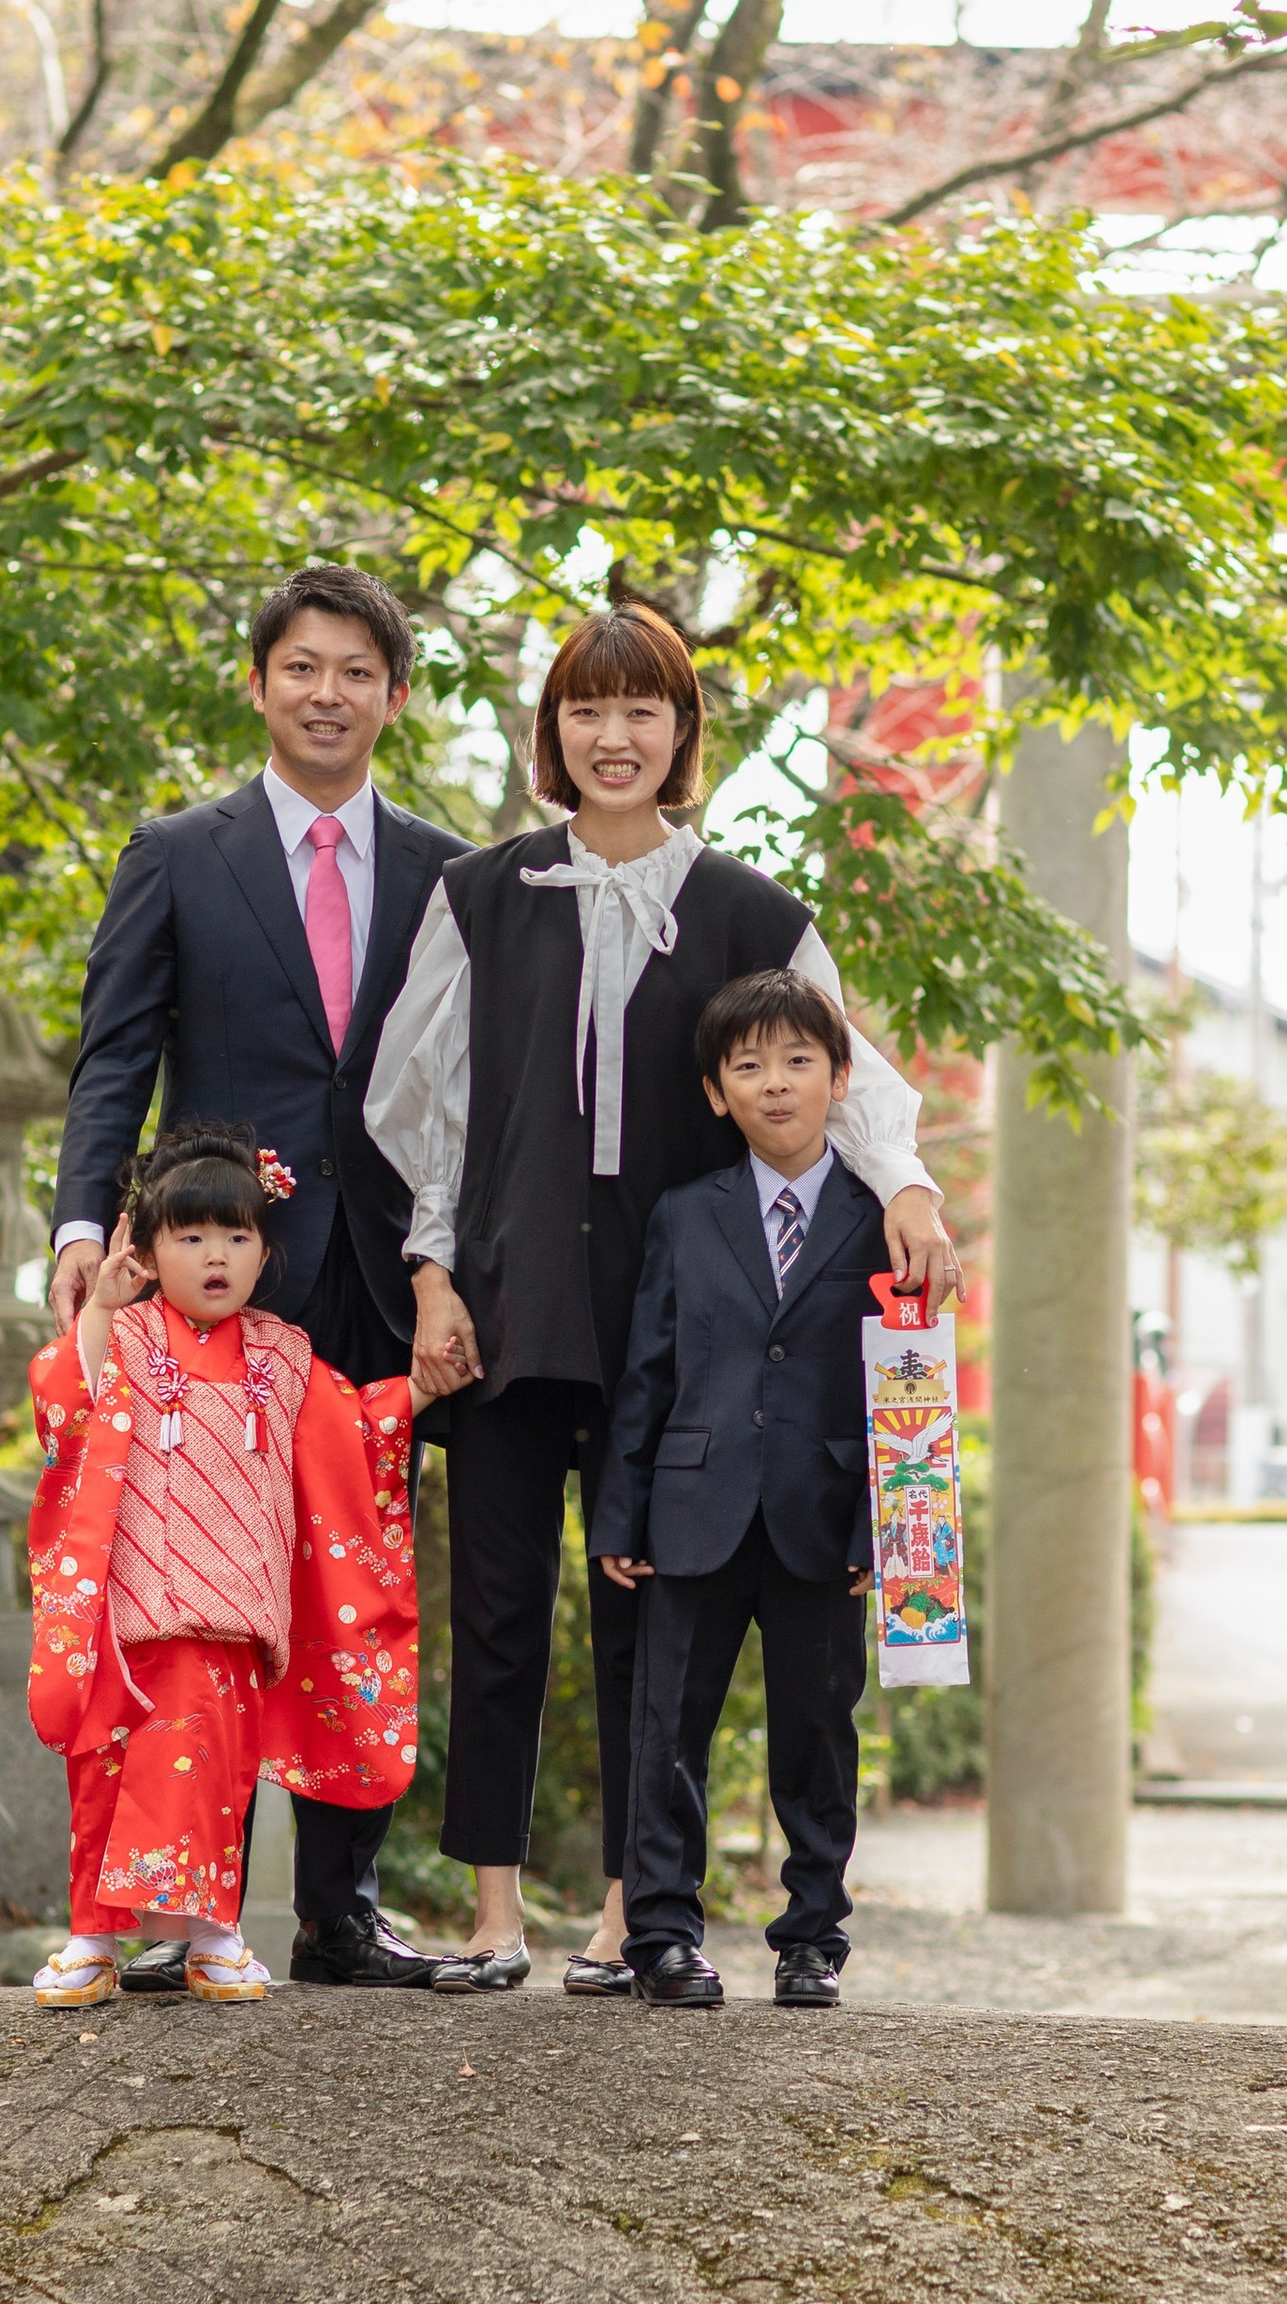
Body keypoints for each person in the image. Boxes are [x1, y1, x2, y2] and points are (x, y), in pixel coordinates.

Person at [367, 599, 961, 1994]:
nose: (614, 736)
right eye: (587, 710)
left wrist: (914, 1187)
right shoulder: (482, 898)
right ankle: (496, 1910)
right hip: (515, 1305)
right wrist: (435, 1276)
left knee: (651, 1613)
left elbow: (846, 1080)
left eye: (643, 711)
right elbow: (424, 1113)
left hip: (689, 1331)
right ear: (552, 734)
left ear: (684, 733)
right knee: (501, 1606)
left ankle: (641, 1908)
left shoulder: (756, 912)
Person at [48, 564, 472, 1994]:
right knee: (200, 1594)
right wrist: (80, 1236)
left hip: (383, 1273)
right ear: (258, 682)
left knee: (357, 1578)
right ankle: (187, 1910)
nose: (328, 694)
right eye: (302, 667)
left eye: (358, 671)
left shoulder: (446, 868)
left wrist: (457, 1267)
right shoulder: (180, 850)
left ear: (395, 697)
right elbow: (115, 1057)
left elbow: (469, 1084)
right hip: (215, 1276)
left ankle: (339, 1916)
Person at [23, 1128, 421, 2007]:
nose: (215, 1257)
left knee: (217, 1770)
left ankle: (213, 1932)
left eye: (236, 1238)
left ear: (264, 1253)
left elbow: (352, 1430)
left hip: (233, 1610)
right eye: (190, 1237)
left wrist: (420, 1391)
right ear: (150, 1249)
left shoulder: (281, 1357)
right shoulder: (123, 1339)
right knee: (107, 1770)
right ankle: (93, 1933)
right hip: (130, 1608)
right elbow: (68, 1406)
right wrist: (97, 1309)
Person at [590, 970, 887, 2009]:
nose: (775, 1084)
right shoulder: (684, 1215)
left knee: (817, 1737)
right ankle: (662, 1934)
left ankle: (813, 1939)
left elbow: (901, 1384)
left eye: (798, 1060)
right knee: (666, 1727)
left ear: (838, 1078)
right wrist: (618, 1514)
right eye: (748, 1065)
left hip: (823, 1518)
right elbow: (647, 1371)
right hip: (690, 1510)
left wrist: (878, 1527)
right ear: (717, 1091)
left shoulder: (881, 1219)